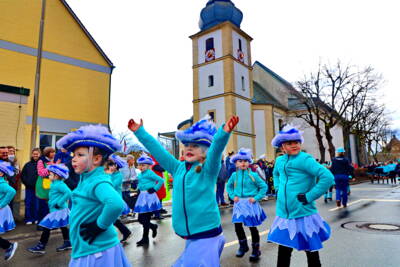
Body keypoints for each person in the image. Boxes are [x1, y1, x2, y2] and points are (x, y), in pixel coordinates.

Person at [128, 115, 239, 266]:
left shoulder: (208, 170)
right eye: (186, 146)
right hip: (192, 235)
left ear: (204, 152)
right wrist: (140, 132)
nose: (189, 148)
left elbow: (216, 150)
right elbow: (158, 151)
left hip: (207, 234)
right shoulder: (177, 168)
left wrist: (223, 133)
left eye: (195, 146)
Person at [56, 125, 131, 267]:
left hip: (97, 252)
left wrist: (99, 226)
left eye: (80, 155)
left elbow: (115, 204)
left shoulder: (98, 181)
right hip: (88, 248)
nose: (73, 159)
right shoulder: (86, 179)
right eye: (74, 155)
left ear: (96, 159)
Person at [267, 125, 333, 267]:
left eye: (296, 142)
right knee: (283, 251)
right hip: (284, 215)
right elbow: (276, 174)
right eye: (290, 143)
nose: (294, 145)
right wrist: (277, 188)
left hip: (303, 214)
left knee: (311, 252)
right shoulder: (279, 161)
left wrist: (309, 196)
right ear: (282, 146)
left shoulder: (305, 159)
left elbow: (327, 177)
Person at [226, 148, 267, 262]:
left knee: (252, 228)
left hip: (250, 203)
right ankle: (243, 245)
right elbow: (229, 187)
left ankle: (256, 250)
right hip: (239, 204)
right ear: (236, 163)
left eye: (245, 161)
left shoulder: (253, 175)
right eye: (240, 161)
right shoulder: (234, 175)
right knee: (237, 225)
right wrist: (232, 195)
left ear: (249, 162)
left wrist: (256, 198)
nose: (243, 163)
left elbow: (264, 187)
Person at [28, 164, 72, 254]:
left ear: (56, 176)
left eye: (51, 174)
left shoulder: (60, 184)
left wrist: (59, 202)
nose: (49, 175)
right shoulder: (54, 183)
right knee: (63, 226)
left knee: (46, 226)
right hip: (56, 209)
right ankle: (67, 242)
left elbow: (69, 193)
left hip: (58, 209)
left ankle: (41, 246)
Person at [133, 153, 164, 246]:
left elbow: (161, 180)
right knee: (141, 219)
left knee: (144, 218)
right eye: (139, 165)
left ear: (148, 165)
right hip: (142, 197)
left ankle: (145, 238)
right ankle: (153, 227)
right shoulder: (140, 174)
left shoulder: (150, 172)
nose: (141, 167)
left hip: (149, 197)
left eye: (143, 165)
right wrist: (136, 187)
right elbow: (141, 184)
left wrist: (155, 188)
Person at [106, 154, 132, 243]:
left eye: (112, 165)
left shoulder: (118, 176)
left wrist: (108, 175)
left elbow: (111, 185)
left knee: (111, 218)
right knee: (112, 219)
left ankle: (124, 232)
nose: (111, 167)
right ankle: (126, 232)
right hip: (108, 199)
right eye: (109, 165)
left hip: (115, 199)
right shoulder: (109, 174)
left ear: (116, 165)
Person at [0, 160, 18, 261]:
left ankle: (8, 246)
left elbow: (12, 191)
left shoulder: (2, 184)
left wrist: (1, 204)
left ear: (1, 173)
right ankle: (8, 246)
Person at [21, 148, 41, 224]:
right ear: (32, 155)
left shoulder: (42, 165)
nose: (35, 155)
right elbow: (23, 176)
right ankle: (28, 219)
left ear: (39, 154)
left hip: (38, 189)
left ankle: (36, 218)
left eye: (37, 154)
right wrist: (27, 183)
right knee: (28, 203)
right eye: (34, 154)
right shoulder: (27, 165)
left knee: (36, 204)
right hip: (29, 188)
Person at [36, 147, 56, 223]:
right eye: (52, 152)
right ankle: (41, 223)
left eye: (54, 152)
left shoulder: (54, 161)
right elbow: (41, 172)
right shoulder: (41, 161)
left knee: (50, 206)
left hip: (52, 185)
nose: (54, 154)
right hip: (43, 186)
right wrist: (52, 167)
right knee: (42, 206)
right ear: (47, 153)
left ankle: (49, 223)